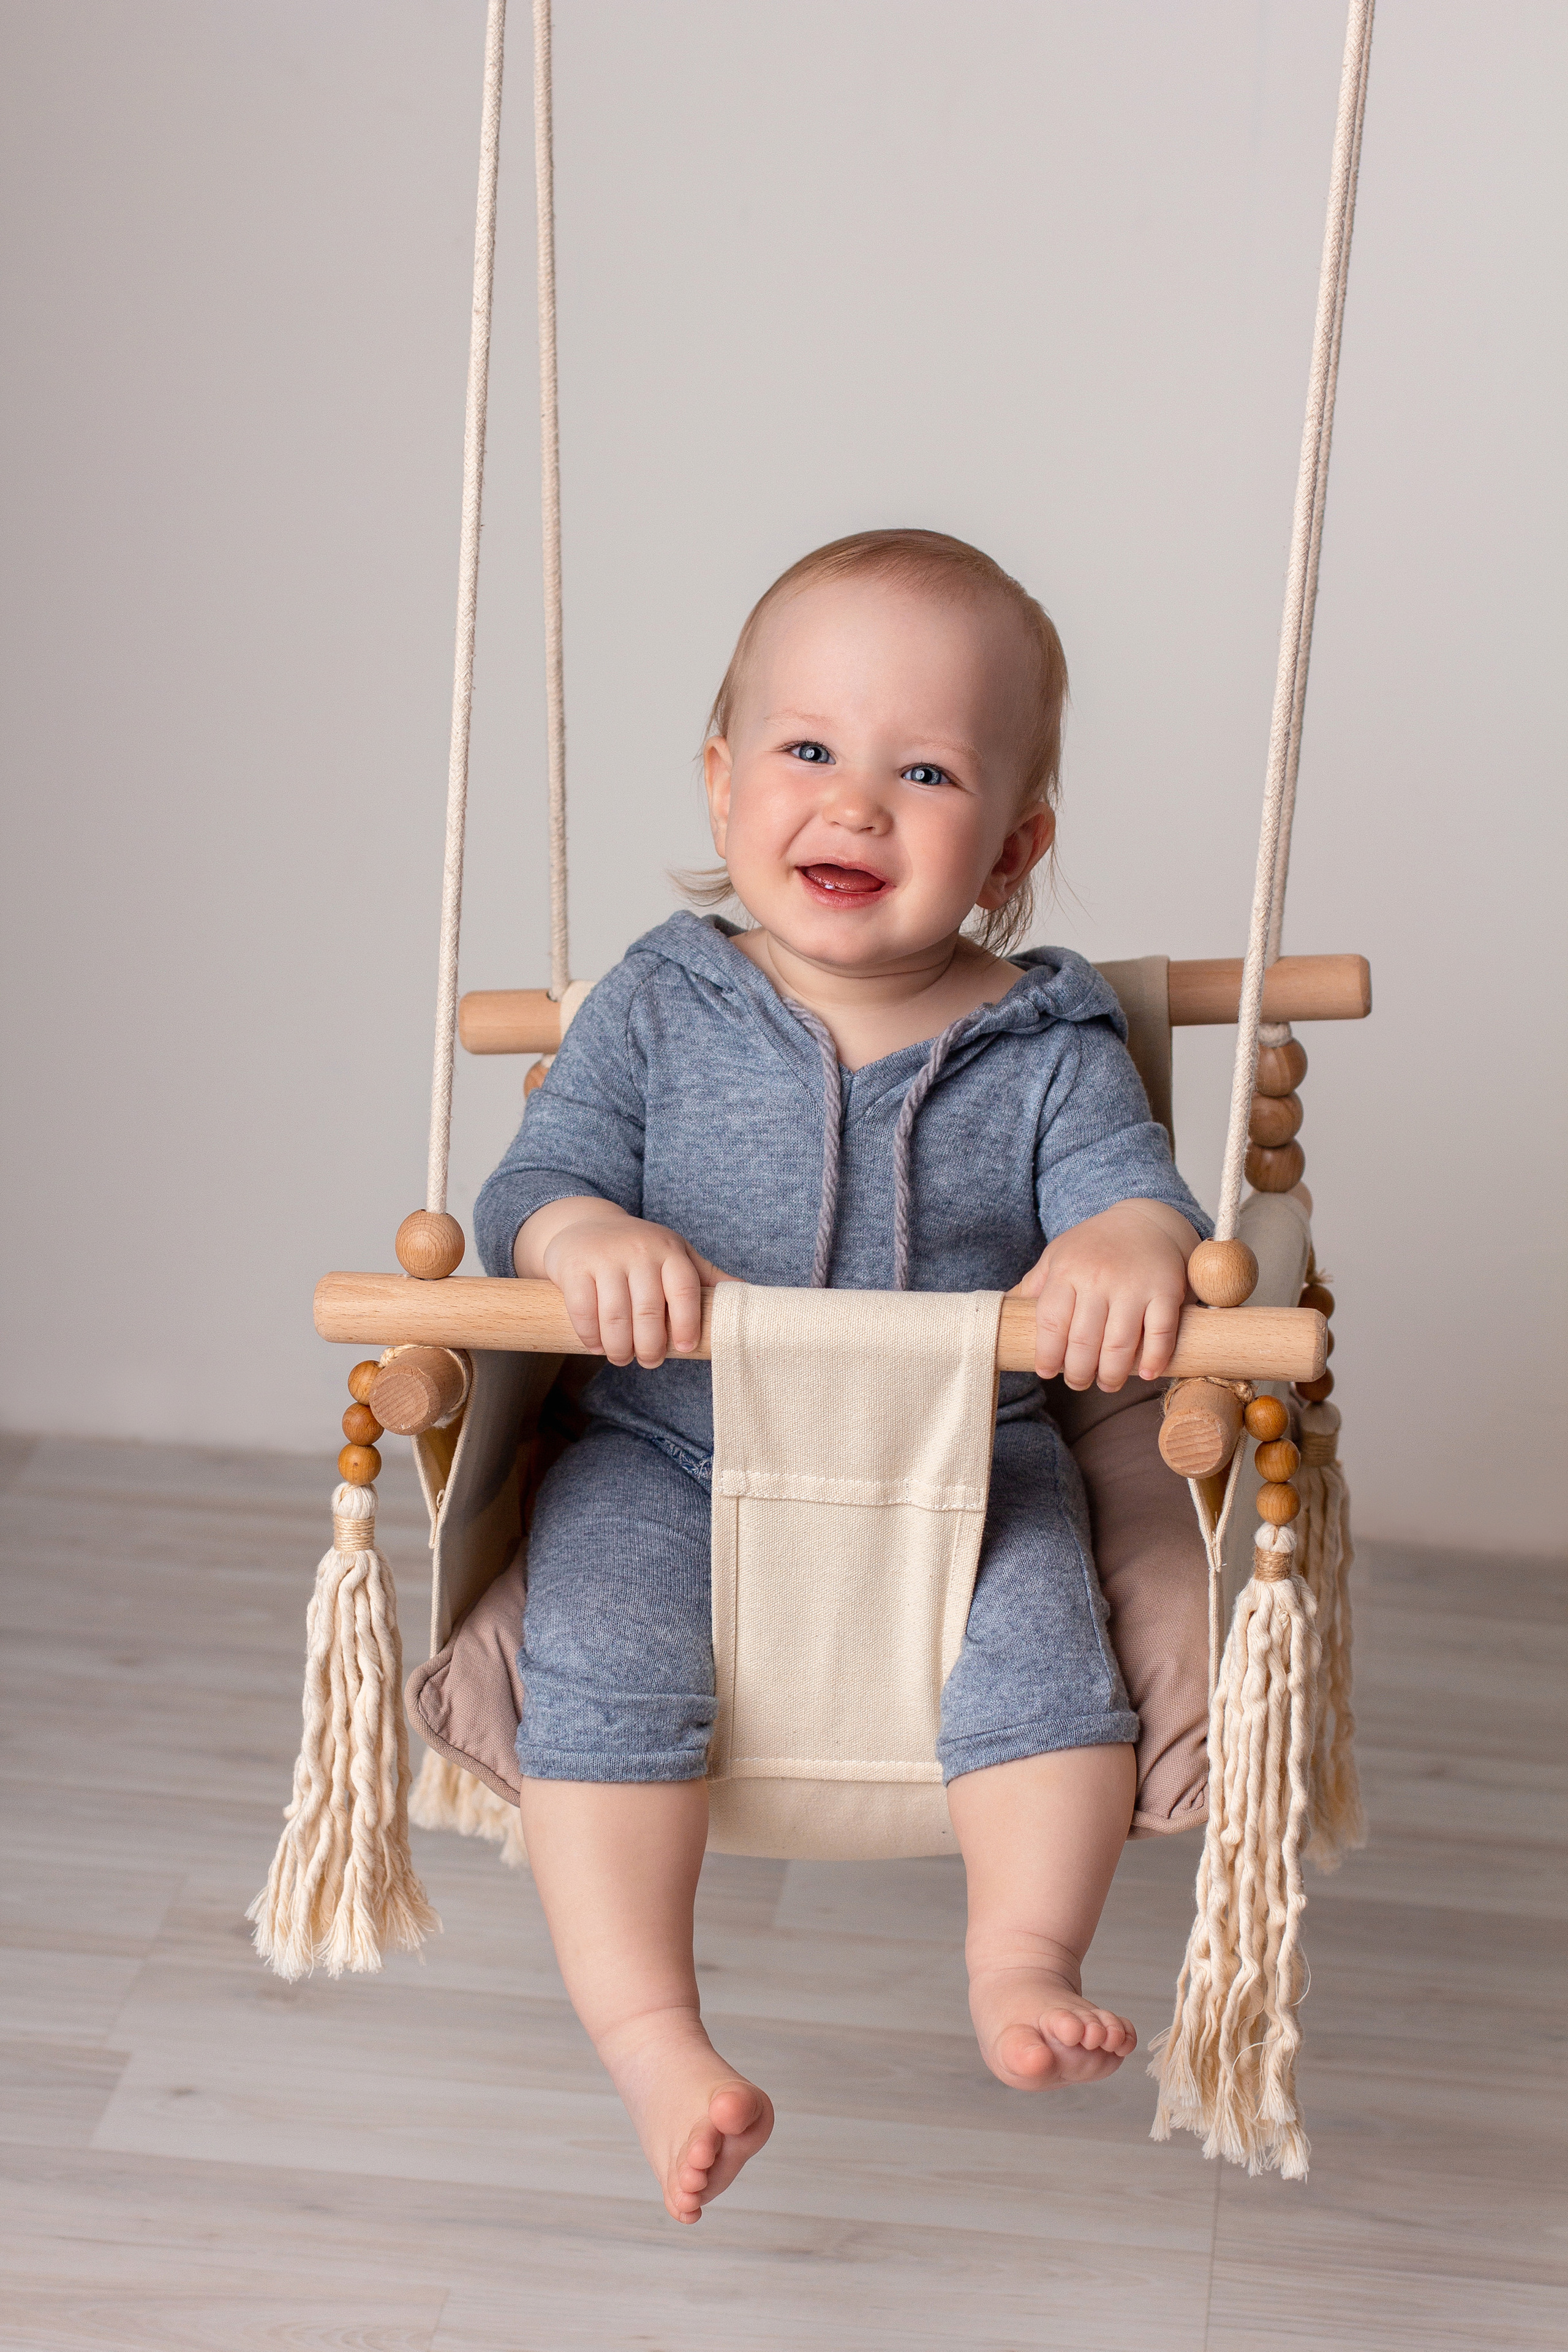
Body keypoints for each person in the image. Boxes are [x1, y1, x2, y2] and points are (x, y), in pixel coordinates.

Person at [474, 529, 1210, 2225]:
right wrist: (583, 1231)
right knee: (601, 1645)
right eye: (807, 749)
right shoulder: (657, 1004)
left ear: (1013, 846)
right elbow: (533, 1184)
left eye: (925, 771)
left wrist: (1126, 1244)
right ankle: (655, 2038)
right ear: (723, 783)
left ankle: (1023, 1959)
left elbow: (1134, 1200)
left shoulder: (1049, 1039)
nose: (856, 804)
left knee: (1046, 1647)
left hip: (960, 1464)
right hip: (670, 1448)